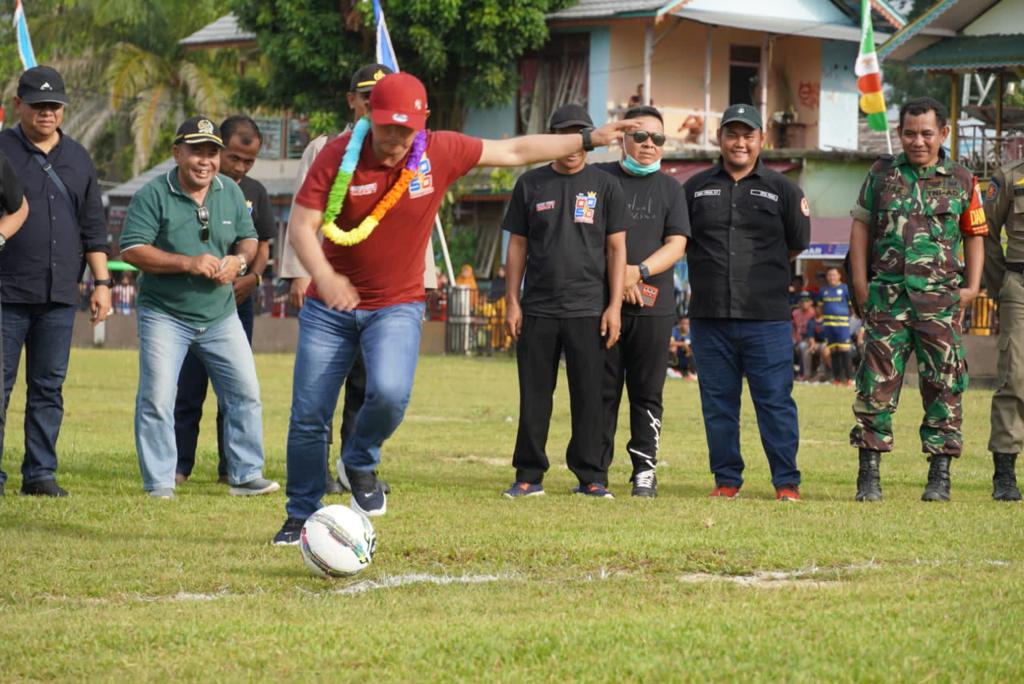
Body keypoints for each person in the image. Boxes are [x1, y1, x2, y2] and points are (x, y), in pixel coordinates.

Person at [274, 75, 637, 543]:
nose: (395, 140)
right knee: (309, 413)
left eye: (405, 130)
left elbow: (515, 150)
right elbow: (301, 226)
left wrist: (589, 139)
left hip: (395, 305)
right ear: (367, 117)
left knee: (389, 394)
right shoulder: (337, 154)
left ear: (423, 123)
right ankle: (300, 514)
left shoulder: (439, 150)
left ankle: (359, 460)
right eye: (386, 128)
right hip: (329, 309)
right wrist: (324, 277)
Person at [278, 63, 421, 496]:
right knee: (315, 398)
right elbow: (301, 217)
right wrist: (301, 274)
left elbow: (416, 220)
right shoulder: (327, 148)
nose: (376, 105)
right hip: (329, 290)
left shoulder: (413, 150)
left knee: (371, 386)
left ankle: (354, 466)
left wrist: (425, 277)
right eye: (369, 98)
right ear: (354, 101)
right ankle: (316, 477)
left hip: (387, 296)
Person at [119, 116, 279, 499]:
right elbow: (132, 249)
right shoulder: (153, 193)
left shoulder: (230, 192)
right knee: (158, 398)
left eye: (212, 152)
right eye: (196, 152)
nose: (205, 161)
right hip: (165, 313)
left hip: (220, 314)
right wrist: (187, 263)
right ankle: (160, 483)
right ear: (177, 153)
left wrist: (239, 261)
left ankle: (245, 475)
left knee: (245, 392)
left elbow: (249, 238)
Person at [848, 96, 987, 503]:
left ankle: (939, 476)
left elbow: (974, 235)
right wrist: (861, 284)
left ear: (943, 133)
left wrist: (972, 287)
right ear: (899, 133)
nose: (918, 141)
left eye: (927, 133)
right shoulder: (881, 174)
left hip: (940, 302)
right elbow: (860, 228)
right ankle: (869, 475)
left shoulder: (962, 179)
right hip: (888, 298)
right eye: (910, 133)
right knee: (875, 386)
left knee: (944, 385)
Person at [683, 103, 810, 501]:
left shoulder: (783, 189)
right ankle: (726, 480)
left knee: (774, 402)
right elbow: (679, 241)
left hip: (766, 318)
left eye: (748, 135)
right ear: (719, 138)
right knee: (718, 404)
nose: (740, 143)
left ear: (761, 140)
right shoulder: (693, 188)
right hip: (709, 316)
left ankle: (786, 482)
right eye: (732, 134)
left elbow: (796, 244)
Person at [503, 103, 629, 500]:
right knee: (534, 396)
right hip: (538, 309)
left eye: (580, 135)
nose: (574, 144)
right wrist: (512, 301)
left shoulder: (606, 185)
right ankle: (529, 475)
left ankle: (591, 477)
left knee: (590, 397)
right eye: (565, 135)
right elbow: (517, 246)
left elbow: (617, 249)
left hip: (589, 309)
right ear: (552, 139)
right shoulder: (530, 184)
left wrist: (614, 306)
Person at [0, 65, 111, 497]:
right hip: (6, 292)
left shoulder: (79, 158)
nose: (47, 113)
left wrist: (102, 284)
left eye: (54, 105)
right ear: (18, 105)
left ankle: (40, 473)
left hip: (59, 294)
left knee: (48, 388)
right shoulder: (3, 149)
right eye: (38, 105)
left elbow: (93, 227)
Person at [173, 115, 276, 486]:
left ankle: (231, 467)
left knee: (234, 386)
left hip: (236, 302)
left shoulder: (255, 192)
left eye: (249, 161)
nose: (240, 167)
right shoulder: (196, 187)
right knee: (188, 386)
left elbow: (262, 244)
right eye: (234, 157)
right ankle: (179, 466)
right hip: (191, 300)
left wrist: (252, 278)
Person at [594, 105, 688, 498]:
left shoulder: (672, 189)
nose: (649, 144)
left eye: (657, 138)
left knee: (648, 392)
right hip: (604, 306)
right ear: (623, 138)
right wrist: (619, 278)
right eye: (641, 136)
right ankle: (595, 473)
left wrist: (639, 271)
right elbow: (589, 238)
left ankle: (644, 471)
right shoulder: (599, 179)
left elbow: (677, 244)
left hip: (654, 308)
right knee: (601, 392)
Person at [982, 155, 1024, 501]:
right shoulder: (1009, 177)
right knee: (1015, 376)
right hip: (1019, 285)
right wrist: (1002, 287)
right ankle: (1005, 473)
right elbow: (987, 234)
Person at [820, 266, 853, 385]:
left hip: (842, 325)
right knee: (833, 351)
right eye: (829, 275)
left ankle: (849, 379)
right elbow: (820, 307)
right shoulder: (823, 290)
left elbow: (851, 307)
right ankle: (837, 379)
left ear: (839, 276)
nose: (831, 277)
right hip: (829, 325)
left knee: (844, 350)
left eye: (834, 275)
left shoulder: (845, 289)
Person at [791, 292, 816, 380]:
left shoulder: (814, 312)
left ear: (811, 302)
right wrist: (794, 339)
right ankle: (791, 373)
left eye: (806, 301)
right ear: (798, 302)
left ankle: (804, 374)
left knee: (803, 346)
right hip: (797, 339)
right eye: (802, 301)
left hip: (811, 339)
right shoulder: (795, 313)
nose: (804, 303)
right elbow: (793, 328)